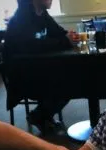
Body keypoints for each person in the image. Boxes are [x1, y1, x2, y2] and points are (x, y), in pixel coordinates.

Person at [5, 0, 75, 133]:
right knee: (68, 83)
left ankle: (43, 116)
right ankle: (39, 116)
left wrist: (69, 35)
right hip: (21, 76)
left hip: (36, 69)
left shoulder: (43, 15)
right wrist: (64, 41)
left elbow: (58, 32)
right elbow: (32, 45)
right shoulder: (21, 18)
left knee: (73, 78)